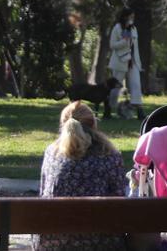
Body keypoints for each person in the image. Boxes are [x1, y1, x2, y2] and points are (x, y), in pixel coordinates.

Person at [34, 101, 125, 251]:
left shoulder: (52, 153)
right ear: (94, 125)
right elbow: (119, 197)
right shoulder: (110, 155)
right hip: (102, 243)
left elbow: (44, 192)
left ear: (63, 125)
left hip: (53, 242)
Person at [108, 8, 145, 120]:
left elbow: (135, 47)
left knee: (136, 85)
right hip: (120, 61)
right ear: (125, 17)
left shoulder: (133, 29)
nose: (132, 19)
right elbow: (113, 45)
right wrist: (124, 41)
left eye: (133, 17)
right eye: (130, 17)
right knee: (115, 88)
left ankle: (139, 111)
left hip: (133, 62)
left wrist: (138, 62)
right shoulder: (117, 28)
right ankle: (108, 110)